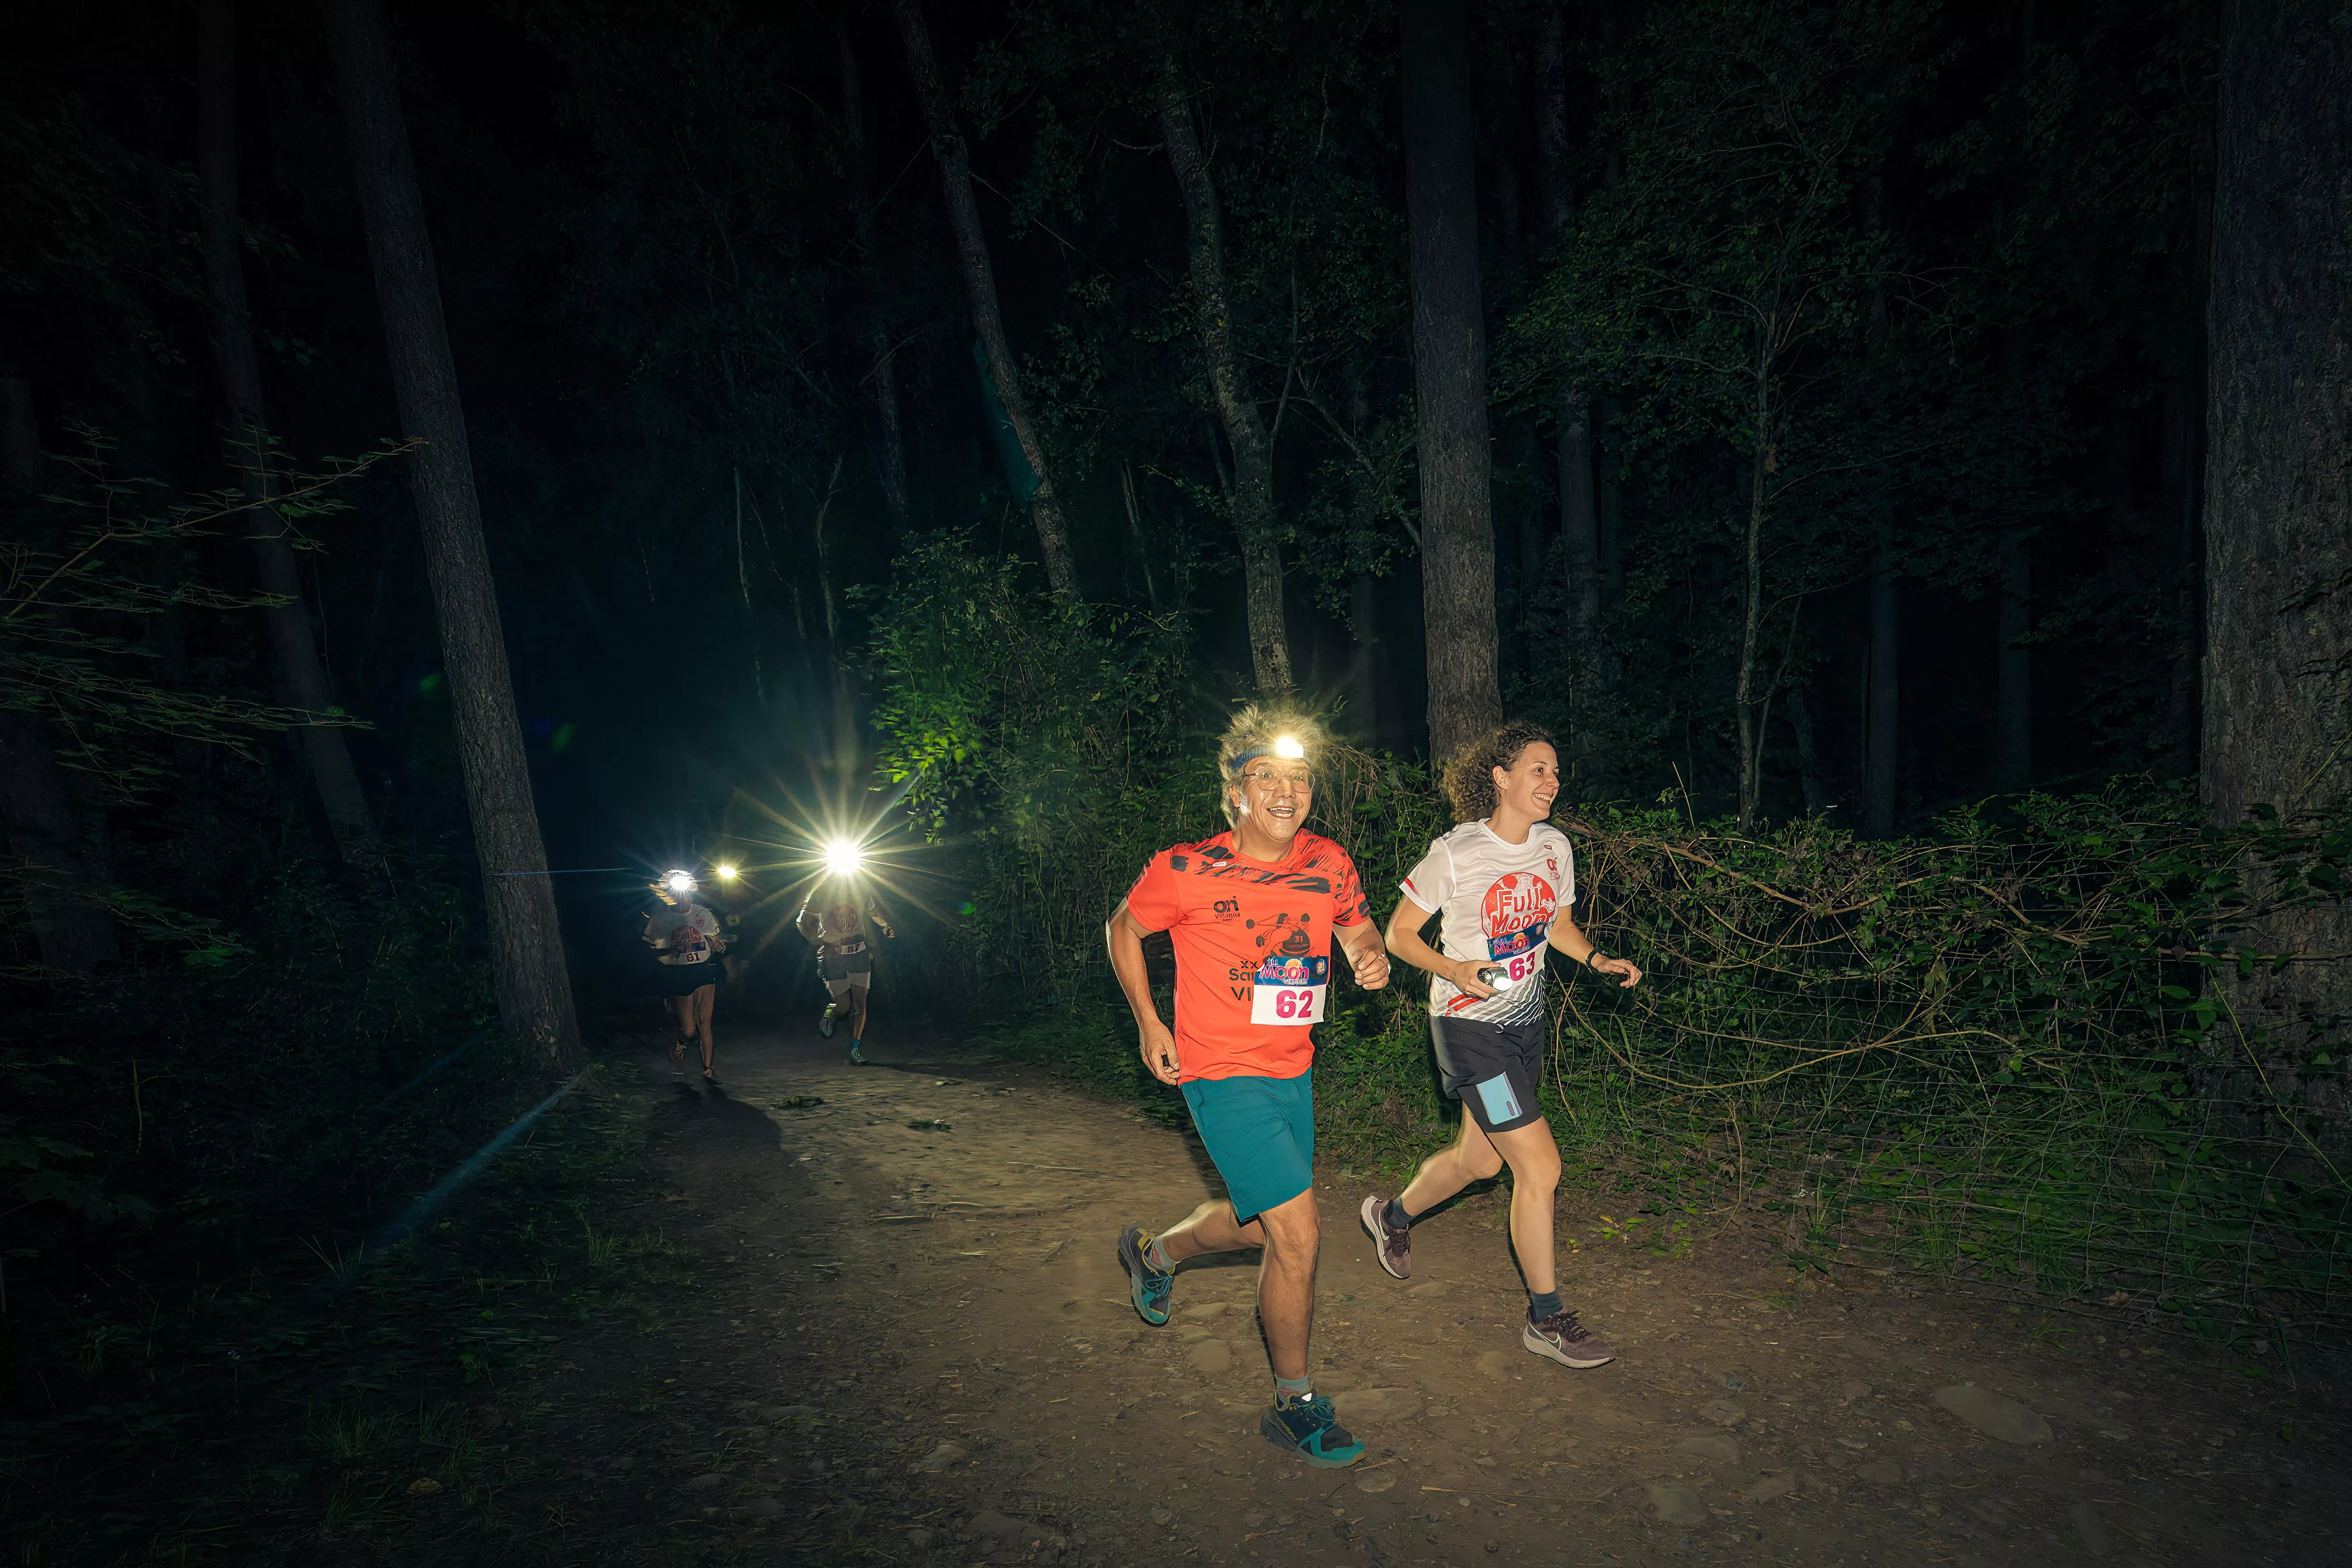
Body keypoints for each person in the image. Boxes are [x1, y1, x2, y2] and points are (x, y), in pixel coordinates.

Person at [1108, 707, 1391, 1469]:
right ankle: (1294, 1403)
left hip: (1293, 1068)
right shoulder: (1185, 868)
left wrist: (1370, 959)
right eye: (1266, 774)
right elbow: (1122, 929)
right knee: (1298, 1235)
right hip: (1219, 1072)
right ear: (1235, 790)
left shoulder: (1328, 861)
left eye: (1299, 777)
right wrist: (1147, 1022)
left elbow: (1358, 929)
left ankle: (1155, 1254)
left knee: (1262, 1228)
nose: (1285, 789)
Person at [1360, 722, 1643, 1371]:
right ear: (1501, 777)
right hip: (1468, 1030)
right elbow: (1400, 935)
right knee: (1538, 1167)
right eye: (1538, 769)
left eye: (1554, 771)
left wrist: (1596, 957)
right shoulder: (1456, 853)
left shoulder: (1553, 847)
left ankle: (1391, 1214)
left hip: (1523, 1025)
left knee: (1480, 1163)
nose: (1551, 781)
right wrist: (1453, 969)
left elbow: (1558, 925)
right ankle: (1545, 1319)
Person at [644, 871, 729, 1083]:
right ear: (671, 895)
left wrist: (718, 944)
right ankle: (682, 1040)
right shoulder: (661, 919)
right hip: (679, 974)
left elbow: (716, 939)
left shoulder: (704, 914)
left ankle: (708, 1070)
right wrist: (667, 950)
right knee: (690, 1029)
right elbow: (647, 948)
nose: (685, 897)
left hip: (703, 971)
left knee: (705, 1023)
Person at [796, 896, 894, 1065]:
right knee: (843, 1006)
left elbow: (873, 911)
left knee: (860, 1006)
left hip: (859, 954)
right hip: (834, 958)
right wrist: (817, 942)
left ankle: (855, 1048)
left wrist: (886, 925)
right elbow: (802, 921)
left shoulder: (860, 888)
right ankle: (830, 1013)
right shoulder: (822, 891)